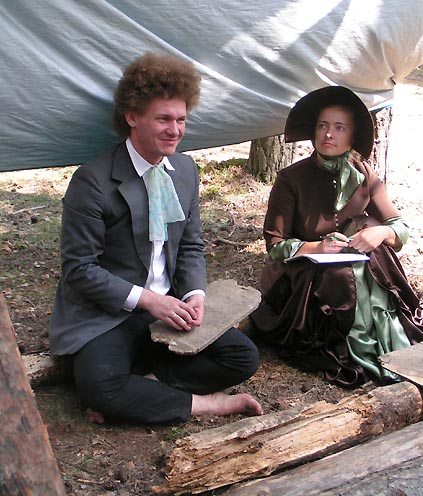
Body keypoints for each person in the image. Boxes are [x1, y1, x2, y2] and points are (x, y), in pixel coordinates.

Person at [49, 52, 263, 424]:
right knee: (99, 385)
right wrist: (150, 300)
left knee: (243, 357)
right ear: (132, 117)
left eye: (181, 119)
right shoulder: (92, 181)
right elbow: (79, 269)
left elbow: (191, 245)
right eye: (163, 119)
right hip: (110, 314)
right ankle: (205, 403)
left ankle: (148, 386)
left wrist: (194, 294)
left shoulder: (185, 169)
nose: (175, 130)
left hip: (169, 310)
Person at [251, 85, 423, 387]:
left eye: (339, 127)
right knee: (342, 273)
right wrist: (317, 246)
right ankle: (356, 347)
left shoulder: (364, 175)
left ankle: (387, 341)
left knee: (373, 244)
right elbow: (275, 246)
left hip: (359, 273)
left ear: (352, 137)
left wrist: (381, 232)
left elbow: (400, 228)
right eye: (322, 126)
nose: (328, 134)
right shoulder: (291, 178)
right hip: (305, 277)